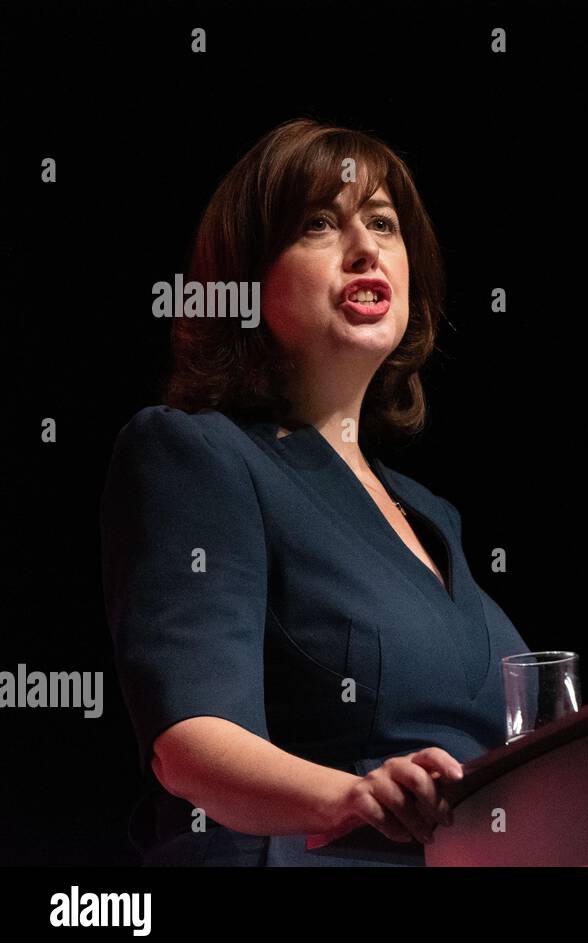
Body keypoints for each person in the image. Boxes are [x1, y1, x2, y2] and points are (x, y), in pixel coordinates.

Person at [99, 118, 530, 866]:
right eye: (319, 224)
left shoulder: (434, 517)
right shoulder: (196, 454)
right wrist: (349, 798)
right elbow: (191, 748)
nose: (365, 248)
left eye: (385, 224)